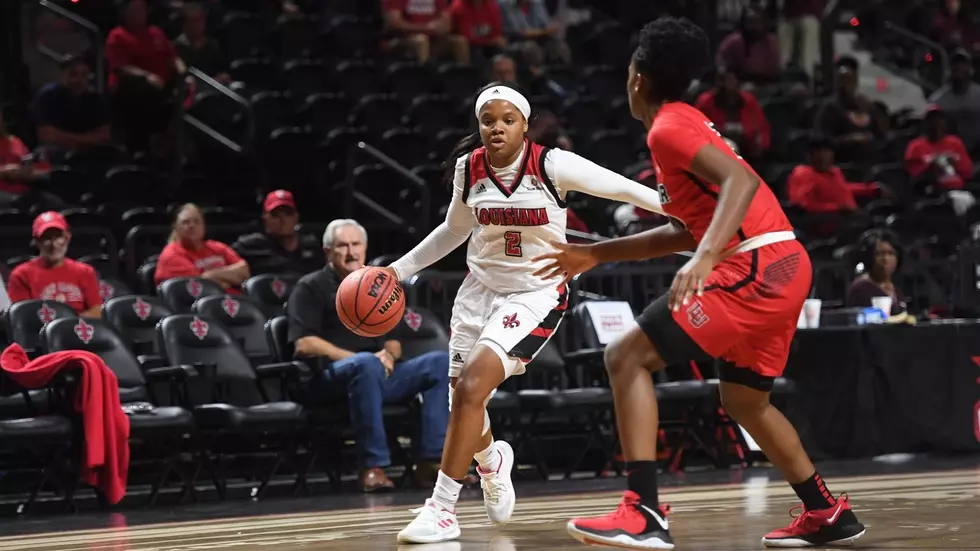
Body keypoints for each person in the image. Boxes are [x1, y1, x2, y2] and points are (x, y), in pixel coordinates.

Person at [534, 18, 866, 549]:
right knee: (744, 401)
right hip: (782, 262)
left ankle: (642, 512)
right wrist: (594, 254)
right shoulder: (684, 121)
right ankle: (826, 511)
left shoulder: (668, 128)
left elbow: (742, 182)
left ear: (636, 77)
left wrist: (706, 257)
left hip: (756, 266)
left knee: (624, 358)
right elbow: (684, 229)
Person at [389, 81, 667, 543]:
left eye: (507, 120)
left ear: (524, 125)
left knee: (474, 385)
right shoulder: (468, 168)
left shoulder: (551, 165)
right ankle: (490, 461)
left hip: (534, 294)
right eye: (487, 121)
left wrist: (674, 208)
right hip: (478, 291)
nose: (496, 128)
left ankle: (441, 509)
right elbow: (453, 229)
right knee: (463, 403)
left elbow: (619, 188)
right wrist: (397, 270)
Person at [287, 219, 451, 492]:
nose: (351, 252)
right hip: (328, 378)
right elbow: (304, 343)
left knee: (439, 362)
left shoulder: (379, 283)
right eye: (342, 246)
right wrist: (359, 359)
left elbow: (394, 341)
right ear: (327, 250)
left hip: (376, 373)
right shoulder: (310, 287)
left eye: (356, 244)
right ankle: (373, 467)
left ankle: (431, 462)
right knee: (364, 365)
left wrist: (387, 356)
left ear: (365, 248)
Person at [106, 0, 185, 154]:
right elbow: (120, 68)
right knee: (149, 96)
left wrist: (183, 72)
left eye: (141, 9)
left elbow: (173, 58)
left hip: (162, 88)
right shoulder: (117, 35)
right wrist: (147, 76)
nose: (138, 13)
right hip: (130, 92)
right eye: (134, 10)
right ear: (124, 13)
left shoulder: (157, 33)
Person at [7, 212, 101, 317]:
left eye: (58, 237)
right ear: (37, 241)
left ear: (67, 238)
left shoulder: (85, 272)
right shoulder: (21, 275)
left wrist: (67, 326)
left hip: (78, 330)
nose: (54, 245)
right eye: (47, 238)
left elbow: (96, 313)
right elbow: (23, 318)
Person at [154, 204, 250, 290]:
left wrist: (211, 275)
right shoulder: (171, 254)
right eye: (186, 222)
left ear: (203, 226)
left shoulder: (217, 247)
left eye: (197, 221)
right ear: (176, 228)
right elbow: (201, 286)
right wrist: (232, 279)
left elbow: (244, 271)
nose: (192, 225)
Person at [34, 56, 112, 159]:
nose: (80, 80)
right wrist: (88, 138)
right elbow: (48, 136)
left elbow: (104, 137)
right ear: (61, 74)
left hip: (90, 153)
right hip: (56, 152)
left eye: (85, 75)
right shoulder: (48, 96)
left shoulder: (95, 98)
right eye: (73, 74)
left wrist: (69, 139)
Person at [231, 190, 322, 275]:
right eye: (275, 215)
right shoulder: (250, 246)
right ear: (265, 218)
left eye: (288, 214)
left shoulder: (312, 246)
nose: (282, 220)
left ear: (296, 217)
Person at [815, 55, 887, 164]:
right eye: (842, 80)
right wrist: (849, 140)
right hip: (842, 164)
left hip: (870, 163)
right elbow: (823, 142)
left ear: (856, 81)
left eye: (850, 79)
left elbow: (881, 137)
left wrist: (870, 138)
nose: (846, 85)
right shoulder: (829, 108)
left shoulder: (866, 105)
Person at [787, 135, 879, 214]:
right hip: (823, 227)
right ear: (809, 156)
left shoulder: (834, 171)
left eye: (826, 152)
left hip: (850, 223)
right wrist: (838, 209)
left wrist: (871, 189)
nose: (823, 156)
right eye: (818, 153)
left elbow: (842, 188)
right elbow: (802, 206)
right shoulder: (804, 173)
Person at [693, 67, 770, 160]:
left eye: (728, 79)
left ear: (737, 81)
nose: (724, 84)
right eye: (721, 80)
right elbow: (697, 129)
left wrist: (759, 145)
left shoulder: (748, 101)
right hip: (717, 151)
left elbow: (762, 129)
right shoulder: (705, 101)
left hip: (748, 150)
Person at [905, 106, 973, 196]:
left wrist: (954, 163)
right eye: (932, 121)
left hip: (959, 188)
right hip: (931, 190)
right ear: (925, 124)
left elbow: (968, 172)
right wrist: (932, 168)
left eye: (939, 120)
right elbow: (914, 176)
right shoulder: (915, 146)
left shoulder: (955, 142)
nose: (936, 124)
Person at [382, 0, 470, 64]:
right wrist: (425, 28)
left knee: (459, 42)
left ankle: (464, 81)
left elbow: (446, 21)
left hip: (433, 40)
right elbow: (394, 23)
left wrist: (443, 26)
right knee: (421, 41)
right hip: (404, 39)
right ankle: (423, 81)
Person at [929, 49, 980, 151]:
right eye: (955, 64)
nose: (958, 67)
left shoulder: (978, 94)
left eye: (962, 63)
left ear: (969, 68)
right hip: (950, 152)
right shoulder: (939, 100)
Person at [715, 5, 781, 84]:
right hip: (738, 83)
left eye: (757, 21)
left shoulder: (771, 41)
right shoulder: (733, 41)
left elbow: (774, 68)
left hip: (766, 82)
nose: (754, 25)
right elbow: (721, 63)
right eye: (750, 21)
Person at [846, 230, 905, 315]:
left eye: (891, 253)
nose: (886, 259)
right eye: (879, 254)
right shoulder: (860, 288)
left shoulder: (896, 290)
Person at [174, 3, 231, 86]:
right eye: (193, 21)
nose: (197, 25)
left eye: (199, 20)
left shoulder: (212, 45)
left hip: (214, 89)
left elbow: (222, 70)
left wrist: (223, 76)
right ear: (184, 24)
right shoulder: (176, 47)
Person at [450, 0, 507, 68]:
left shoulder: (491, 5)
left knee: (502, 48)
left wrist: (497, 40)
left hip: (487, 45)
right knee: (478, 54)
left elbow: (496, 31)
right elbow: (468, 37)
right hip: (470, 47)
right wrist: (490, 42)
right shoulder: (459, 6)